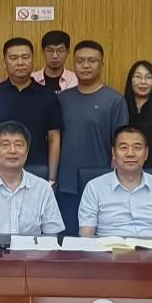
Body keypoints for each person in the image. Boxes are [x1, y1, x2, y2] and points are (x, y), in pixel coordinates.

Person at [57, 40, 129, 234]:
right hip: (67, 185)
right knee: (68, 240)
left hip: (101, 185)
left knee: (98, 242)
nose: (86, 65)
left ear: (102, 64)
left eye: (92, 61)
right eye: (80, 61)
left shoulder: (115, 100)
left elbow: (121, 145)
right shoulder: (62, 99)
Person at [78, 126, 152, 238]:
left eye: (137, 148)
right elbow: (86, 234)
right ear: (113, 153)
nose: (130, 154)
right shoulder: (94, 187)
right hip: (110, 247)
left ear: (146, 153)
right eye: (123, 148)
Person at [0, 37, 62, 180]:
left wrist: (52, 178)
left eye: (25, 57)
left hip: (38, 172)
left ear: (33, 60)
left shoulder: (48, 95)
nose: (20, 62)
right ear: (4, 62)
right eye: (13, 58)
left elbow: (54, 138)